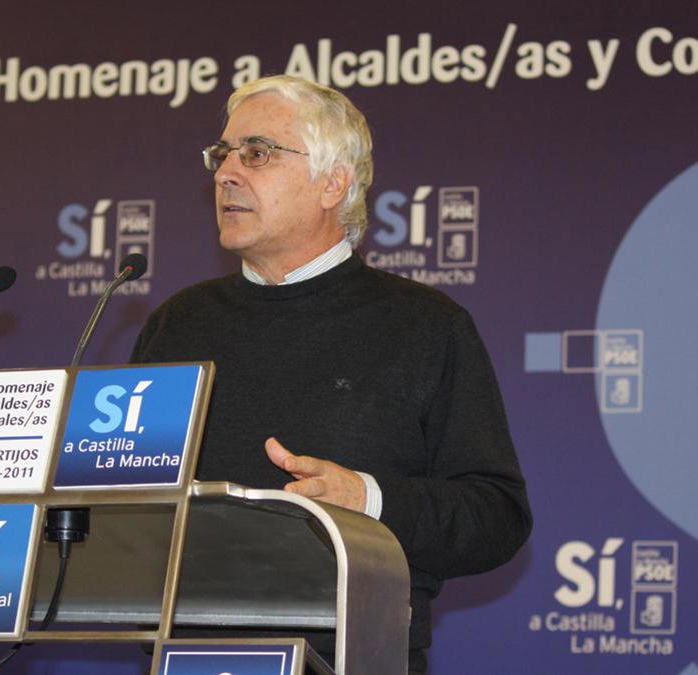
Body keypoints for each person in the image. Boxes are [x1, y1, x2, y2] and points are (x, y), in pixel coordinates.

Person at [130, 74, 532, 674]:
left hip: (351, 656)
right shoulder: (176, 325)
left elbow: (495, 517)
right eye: (222, 153)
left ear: (332, 183)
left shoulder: (425, 326)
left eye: (256, 153)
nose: (225, 173)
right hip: (186, 656)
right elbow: (120, 502)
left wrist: (367, 498)